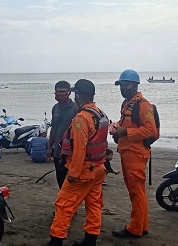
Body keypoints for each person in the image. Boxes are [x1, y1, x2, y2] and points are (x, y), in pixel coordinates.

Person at [46, 79, 109, 246]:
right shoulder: (101, 115)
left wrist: (73, 173)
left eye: (75, 94)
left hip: (83, 170)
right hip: (98, 168)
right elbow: (103, 143)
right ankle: (90, 240)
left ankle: (56, 241)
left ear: (78, 95)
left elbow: (79, 149)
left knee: (64, 204)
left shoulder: (81, 118)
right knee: (94, 204)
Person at [109, 69, 158, 238]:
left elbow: (150, 130)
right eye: (121, 85)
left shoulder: (143, 105)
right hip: (127, 152)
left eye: (126, 85)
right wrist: (115, 127)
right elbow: (125, 122)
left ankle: (135, 228)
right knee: (136, 192)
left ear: (135, 85)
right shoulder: (127, 103)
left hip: (136, 154)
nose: (122, 88)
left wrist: (125, 133)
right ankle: (141, 225)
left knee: (136, 192)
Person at [46, 80, 78, 188]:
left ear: (69, 92)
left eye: (63, 92)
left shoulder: (76, 109)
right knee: (60, 178)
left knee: (70, 180)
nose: (60, 95)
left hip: (70, 152)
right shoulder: (55, 108)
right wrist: (49, 147)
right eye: (58, 92)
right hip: (57, 150)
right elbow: (53, 128)